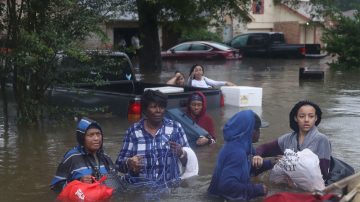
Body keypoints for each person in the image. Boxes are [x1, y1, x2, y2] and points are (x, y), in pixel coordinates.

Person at [115, 90, 191, 183]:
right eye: (153, 107)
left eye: (161, 107)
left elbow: (190, 162)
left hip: (169, 187)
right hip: (140, 188)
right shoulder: (133, 131)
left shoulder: (175, 128)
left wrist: (181, 153)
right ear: (145, 110)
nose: (158, 111)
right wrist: (129, 163)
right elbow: (119, 165)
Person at [256, 100, 332, 181]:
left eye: (311, 116)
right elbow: (264, 148)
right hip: (288, 184)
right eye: (302, 116)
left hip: (310, 187)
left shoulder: (322, 140)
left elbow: (323, 173)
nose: (306, 120)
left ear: (316, 118)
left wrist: (289, 161)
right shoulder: (287, 139)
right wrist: (257, 156)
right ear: (296, 118)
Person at [208, 110, 274, 201]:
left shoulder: (244, 147)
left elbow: (248, 168)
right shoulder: (237, 153)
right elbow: (227, 186)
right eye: (258, 129)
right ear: (250, 131)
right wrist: (256, 189)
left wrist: (271, 163)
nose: (259, 133)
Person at [51, 118, 116, 192]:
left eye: (98, 134)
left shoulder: (106, 157)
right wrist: (79, 182)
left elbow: (117, 182)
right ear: (82, 138)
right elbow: (55, 187)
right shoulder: (72, 157)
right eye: (91, 135)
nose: (96, 138)